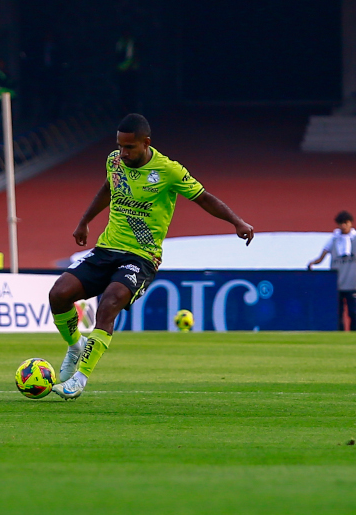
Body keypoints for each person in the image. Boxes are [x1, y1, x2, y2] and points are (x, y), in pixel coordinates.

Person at [48, 114, 255, 400]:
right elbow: (109, 188)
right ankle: (75, 346)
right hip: (106, 248)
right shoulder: (114, 161)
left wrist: (237, 222)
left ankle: (79, 379)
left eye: (129, 147)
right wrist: (84, 221)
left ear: (146, 143)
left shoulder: (169, 170)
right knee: (58, 294)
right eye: (120, 146)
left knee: (109, 303)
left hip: (142, 257)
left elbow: (204, 197)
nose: (123, 153)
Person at [307, 211, 356, 332]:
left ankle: (353, 333)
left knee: (353, 312)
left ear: (350, 223)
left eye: (346, 223)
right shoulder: (333, 239)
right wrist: (313, 263)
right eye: (341, 223)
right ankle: (339, 334)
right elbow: (322, 256)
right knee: (338, 312)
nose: (343, 226)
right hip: (337, 283)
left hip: (353, 282)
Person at [115, 30, 140, 113]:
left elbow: (132, 59)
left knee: (132, 95)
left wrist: (122, 67)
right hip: (122, 74)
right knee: (123, 95)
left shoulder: (133, 43)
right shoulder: (120, 43)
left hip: (131, 73)